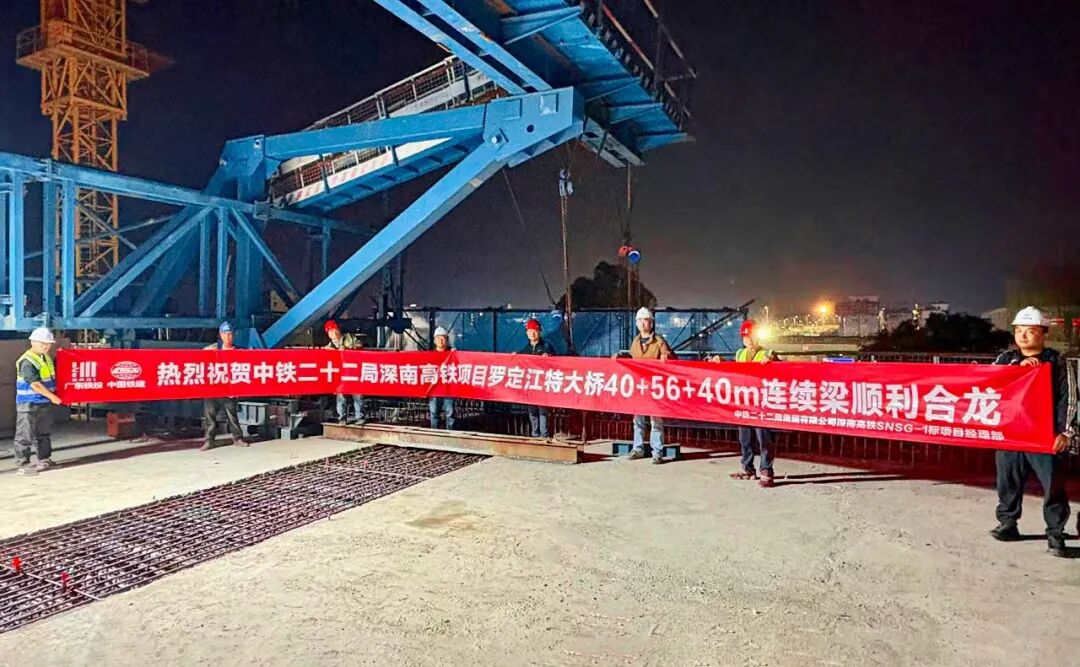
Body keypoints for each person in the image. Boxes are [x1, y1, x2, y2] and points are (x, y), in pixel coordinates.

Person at [989, 307, 1073, 558]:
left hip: (1045, 435)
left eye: (1030, 331)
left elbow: (1069, 399)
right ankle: (1008, 523)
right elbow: (990, 384)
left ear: (1043, 333)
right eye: (1019, 331)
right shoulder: (1006, 359)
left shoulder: (1058, 362)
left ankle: (1055, 533)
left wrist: (1066, 432)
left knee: (1053, 485)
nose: (1023, 336)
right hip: (1011, 434)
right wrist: (1018, 368)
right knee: (1008, 481)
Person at [714, 319, 781, 488]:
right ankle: (748, 468)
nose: (749, 340)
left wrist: (772, 362)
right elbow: (734, 371)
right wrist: (721, 361)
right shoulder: (740, 354)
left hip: (761, 403)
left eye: (751, 336)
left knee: (763, 438)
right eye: (745, 337)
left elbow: (782, 372)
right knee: (745, 438)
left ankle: (766, 471)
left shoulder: (768, 353)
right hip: (744, 402)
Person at [615, 307, 674, 464]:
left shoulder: (659, 341)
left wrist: (666, 356)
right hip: (639, 388)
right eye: (640, 320)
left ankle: (657, 452)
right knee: (638, 420)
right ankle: (638, 448)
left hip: (654, 388)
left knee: (656, 421)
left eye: (645, 320)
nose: (642, 323)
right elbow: (632, 358)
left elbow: (671, 356)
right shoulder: (635, 342)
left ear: (651, 323)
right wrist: (620, 357)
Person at [13, 328, 63, 476]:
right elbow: (35, 384)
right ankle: (23, 465)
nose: (46, 346)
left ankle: (44, 459)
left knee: (43, 433)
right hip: (28, 403)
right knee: (25, 435)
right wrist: (53, 397)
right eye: (43, 343)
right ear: (33, 342)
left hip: (43, 402)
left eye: (48, 343)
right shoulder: (27, 360)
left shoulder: (47, 358)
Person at [201, 322, 248, 451]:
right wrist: (207, 352)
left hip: (229, 389)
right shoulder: (214, 349)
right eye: (225, 334)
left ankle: (237, 438)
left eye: (230, 334)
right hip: (213, 388)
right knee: (209, 416)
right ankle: (209, 440)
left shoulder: (239, 351)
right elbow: (199, 357)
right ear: (221, 335)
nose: (228, 337)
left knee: (232, 415)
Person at [518, 318, 556, 437]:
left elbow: (556, 362)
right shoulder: (526, 349)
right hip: (530, 385)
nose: (532, 334)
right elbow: (519, 360)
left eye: (534, 331)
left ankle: (544, 435)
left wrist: (549, 357)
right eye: (529, 331)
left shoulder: (546, 346)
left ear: (539, 332)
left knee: (542, 411)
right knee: (532, 411)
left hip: (542, 384)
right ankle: (535, 434)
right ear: (526, 333)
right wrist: (514, 357)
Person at [324, 320, 367, 425]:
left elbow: (360, 347)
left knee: (357, 395)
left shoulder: (350, 338)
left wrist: (347, 350)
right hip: (340, 374)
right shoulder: (329, 347)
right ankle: (342, 418)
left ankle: (360, 416)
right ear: (328, 334)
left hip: (353, 371)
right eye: (331, 331)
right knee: (341, 396)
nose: (334, 333)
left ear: (339, 329)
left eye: (335, 330)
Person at [429, 326, 455, 430]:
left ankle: (450, 434)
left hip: (449, 389)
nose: (441, 340)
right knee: (434, 413)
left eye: (443, 338)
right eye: (438, 338)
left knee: (450, 413)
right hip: (434, 389)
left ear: (447, 340)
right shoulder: (430, 355)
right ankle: (434, 433)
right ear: (434, 340)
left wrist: (456, 354)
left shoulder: (452, 354)